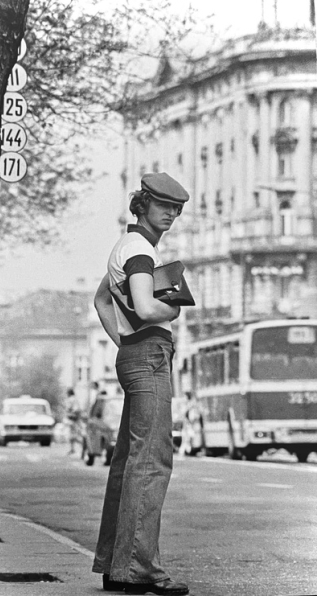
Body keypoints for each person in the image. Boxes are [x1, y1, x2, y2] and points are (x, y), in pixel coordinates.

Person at [92, 172, 190, 596]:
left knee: (128, 463)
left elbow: (100, 299)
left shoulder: (125, 246)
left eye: (177, 209)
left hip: (135, 353)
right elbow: (147, 304)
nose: (170, 214)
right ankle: (139, 570)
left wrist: (122, 340)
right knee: (151, 462)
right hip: (149, 357)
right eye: (164, 206)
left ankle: (116, 567)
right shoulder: (139, 251)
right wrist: (170, 314)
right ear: (142, 204)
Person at [65, 388, 83, 455]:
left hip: (73, 419)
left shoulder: (71, 399)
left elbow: (72, 408)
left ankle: (83, 445)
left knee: (74, 435)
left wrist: (70, 413)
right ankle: (72, 449)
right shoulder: (75, 399)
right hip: (76, 419)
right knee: (73, 435)